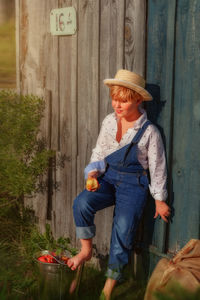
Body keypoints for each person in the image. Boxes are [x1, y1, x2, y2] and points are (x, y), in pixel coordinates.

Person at [67, 69, 171, 300]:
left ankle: (108, 288)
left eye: (123, 100)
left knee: (123, 231)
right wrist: (92, 174)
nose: (117, 105)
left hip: (134, 184)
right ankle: (85, 251)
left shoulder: (149, 132)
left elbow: (158, 166)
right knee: (82, 202)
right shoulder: (109, 122)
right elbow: (99, 151)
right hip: (108, 177)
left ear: (137, 99)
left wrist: (159, 199)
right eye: (115, 99)